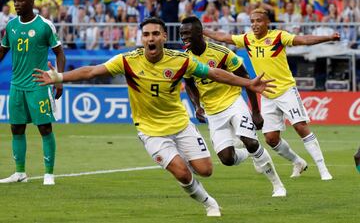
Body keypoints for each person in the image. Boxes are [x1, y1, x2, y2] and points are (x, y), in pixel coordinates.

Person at [33, 17, 275, 216]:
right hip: (150, 130)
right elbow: (91, 71)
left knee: (206, 170)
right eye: (146, 34)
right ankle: (209, 203)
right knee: (182, 172)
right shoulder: (128, 61)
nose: (151, 38)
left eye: (155, 34)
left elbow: (214, 73)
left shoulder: (180, 61)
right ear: (142, 39)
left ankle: (241, 153)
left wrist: (248, 83)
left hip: (181, 125)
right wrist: (60, 77)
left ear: (163, 37)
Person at [203, 8, 340, 180]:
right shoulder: (247, 39)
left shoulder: (278, 36)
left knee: (300, 126)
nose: (254, 24)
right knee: (271, 139)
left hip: (286, 90)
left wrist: (329, 37)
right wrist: (202, 30)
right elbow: (223, 37)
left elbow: (303, 39)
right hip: (266, 93)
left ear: (267, 23)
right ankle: (298, 162)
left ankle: (323, 169)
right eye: (252, 21)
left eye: (258, 21)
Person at [180, 16, 286, 197]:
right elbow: (189, 84)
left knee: (251, 141)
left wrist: (256, 111)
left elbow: (248, 81)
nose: (183, 38)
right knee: (227, 159)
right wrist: (197, 106)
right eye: (182, 34)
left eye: (187, 33)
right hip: (213, 112)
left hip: (233, 102)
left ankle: (278, 185)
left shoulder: (222, 52)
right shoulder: (185, 59)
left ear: (200, 33)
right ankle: (248, 154)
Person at [0, 0, 66, 185]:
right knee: (16, 128)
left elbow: (59, 53)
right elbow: (2, 52)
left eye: (20, 0)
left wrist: (59, 78)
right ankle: (20, 172)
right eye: (15, 0)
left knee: (44, 128)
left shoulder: (44, 25)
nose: (16, 3)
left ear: (31, 1)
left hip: (39, 84)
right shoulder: (11, 26)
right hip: (16, 86)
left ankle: (49, 174)